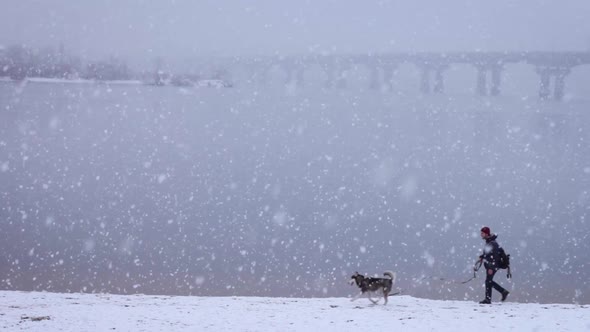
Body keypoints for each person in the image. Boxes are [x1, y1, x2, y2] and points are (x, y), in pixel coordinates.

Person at [477, 226, 509, 304]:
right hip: (492, 264)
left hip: (492, 265)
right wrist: (482, 256)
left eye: (482, 233)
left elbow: (494, 256)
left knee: (488, 281)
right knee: (488, 281)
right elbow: (488, 254)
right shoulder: (490, 241)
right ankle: (501, 292)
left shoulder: (492, 243)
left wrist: (492, 266)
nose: (481, 235)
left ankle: (489, 298)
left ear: (486, 234)